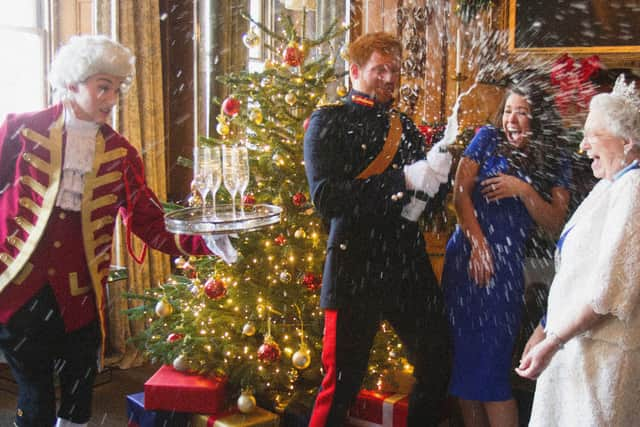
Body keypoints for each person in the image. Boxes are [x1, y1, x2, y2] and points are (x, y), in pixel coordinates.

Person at [0, 35, 235, 427]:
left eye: (116, 88)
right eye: (102, 87)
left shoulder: (121, 152)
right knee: (35, 393)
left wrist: (207, 240)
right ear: (73, 84)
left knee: (79, 392)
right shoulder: (20, 130)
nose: (111, 98)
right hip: (20, 291)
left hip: (80, 296)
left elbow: (149, 220)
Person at [303, 32, 453, 427]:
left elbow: (419, 201)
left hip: (405, 263)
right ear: (354, 71)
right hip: (355, 265)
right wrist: (402, 178)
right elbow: (326, 197)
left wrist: (437, 182)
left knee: (438, 357)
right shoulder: (328, 121)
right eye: (379, 70)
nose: (389, 78)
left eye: (395, 70)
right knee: (341, 384)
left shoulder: (402, 125)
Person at [440, 77, 571, 427]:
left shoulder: (555, 155)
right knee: (464, 371)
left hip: (505, 271)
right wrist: (478, 244)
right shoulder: (487, 137)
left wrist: (524, 190)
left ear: (538, 118)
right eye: (508, 111)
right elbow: (459, 193)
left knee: (493, 374)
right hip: (465, 259)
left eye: (523, 113)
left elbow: (556, 222)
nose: (511, 120)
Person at [516, 74, 640, 426]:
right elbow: (575, 273)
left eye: (592, 136)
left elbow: (607, 292)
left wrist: (551, 342)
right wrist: (544, 329)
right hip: (577, 354)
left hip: (602, 363)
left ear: (627, 141)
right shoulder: (609, 185)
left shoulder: (633, 189)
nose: (583, 147)